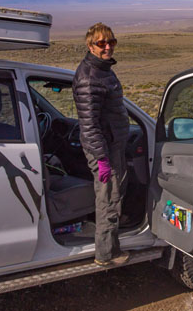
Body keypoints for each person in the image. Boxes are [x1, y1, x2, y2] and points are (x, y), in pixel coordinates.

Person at [72, 22, 130, 267]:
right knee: (108, 197)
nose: (107, 47)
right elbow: (89, 125)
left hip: (112, 144)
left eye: (111, 42)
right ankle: (106, 253)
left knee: (114, 194)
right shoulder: (89, 78)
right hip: (103, 149)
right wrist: (102, 159)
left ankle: (112, 243)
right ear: (90, 45)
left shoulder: (103, 70)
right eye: (101, 43)